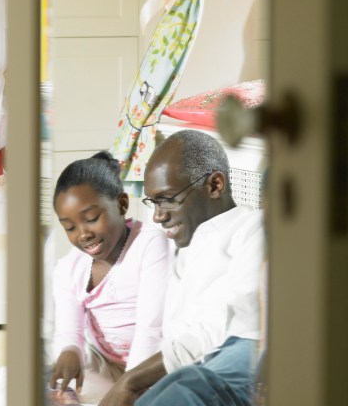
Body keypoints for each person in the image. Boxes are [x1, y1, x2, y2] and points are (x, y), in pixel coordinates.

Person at [99, 130, 264, 406]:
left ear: (214, 185)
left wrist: (132, 380)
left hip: (245, 351)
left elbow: (223, 324)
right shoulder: (182, 250)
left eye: (167, 199)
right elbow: (169, 336)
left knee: (187, 386)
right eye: (153, 202)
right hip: (194, 368)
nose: (158, 215)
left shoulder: (253, 228)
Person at [49, 151, 170, 397]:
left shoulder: (149, 245)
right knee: (54, 374)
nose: (83, 234)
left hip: (153, 361)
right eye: (70, 227)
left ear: (122, 204)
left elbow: (151, 328)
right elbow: (69, 330)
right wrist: (69, 351)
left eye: (92, 218)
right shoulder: (67, 268)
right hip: (104, 360)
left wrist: (130, 385)